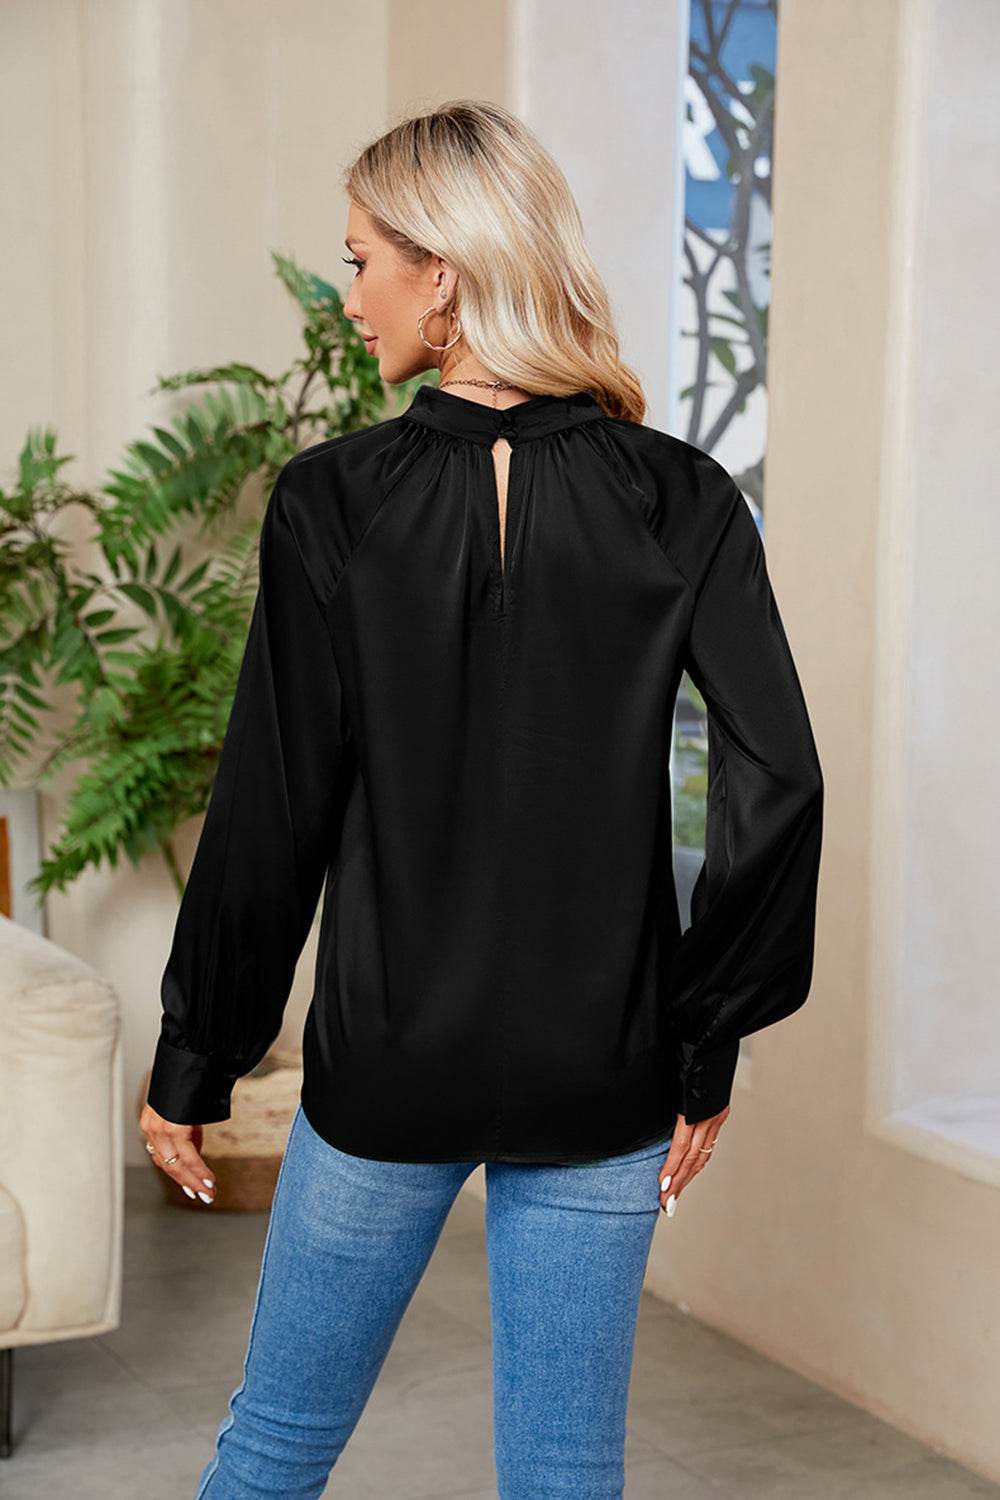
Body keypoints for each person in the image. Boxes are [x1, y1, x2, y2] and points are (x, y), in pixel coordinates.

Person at [140, 100, 824, 1500]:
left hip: (389, 1062)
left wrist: (194, 1060)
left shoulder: (332, 502)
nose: (349, 297)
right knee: (566, 1474)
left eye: (361, 261)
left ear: (441, 275)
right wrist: (703, 1039)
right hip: (606, 1067)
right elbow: (780, 780)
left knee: (273, 1450)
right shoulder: (679, 498)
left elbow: (274, 809)